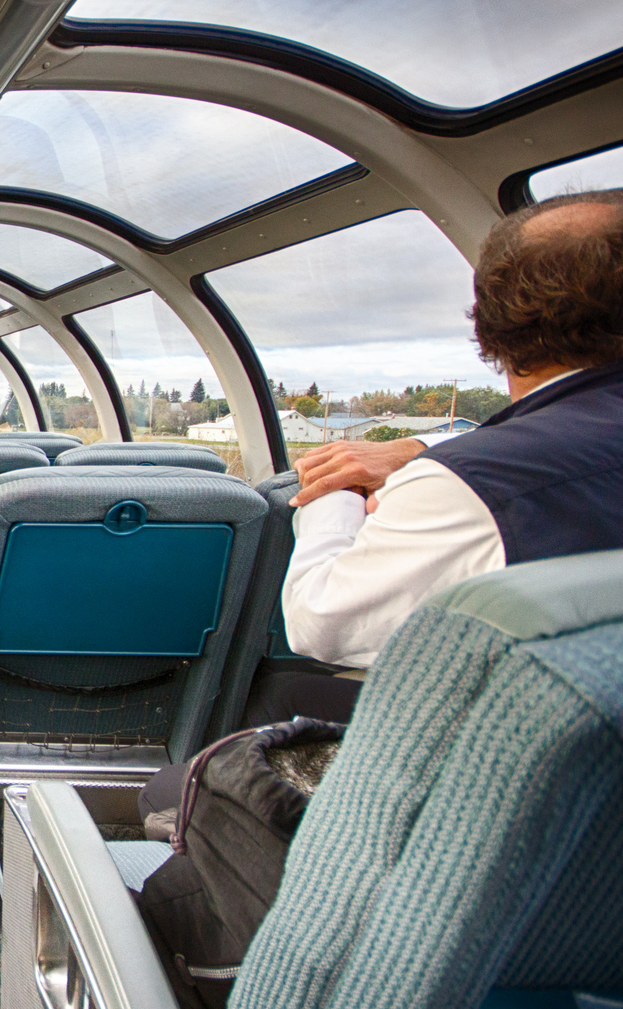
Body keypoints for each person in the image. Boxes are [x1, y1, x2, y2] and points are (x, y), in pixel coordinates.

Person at [142, 189, 623, 819]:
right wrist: (426, 445)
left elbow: (324, 624)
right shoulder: (486, 463)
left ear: (493, 319)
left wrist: (333, 497)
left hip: (521, 791)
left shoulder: (472, 483)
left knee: (190, 776)